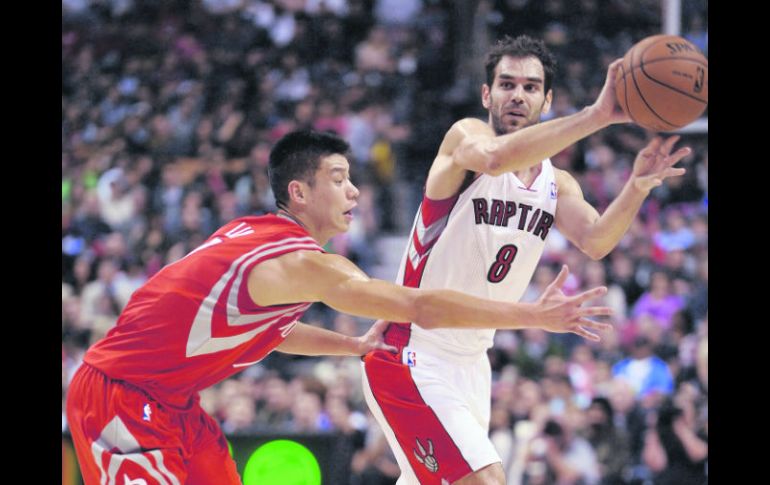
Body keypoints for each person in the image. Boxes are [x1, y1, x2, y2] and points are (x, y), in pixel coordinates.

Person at [66, 130, 614, 485]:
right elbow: (418, 305)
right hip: (118, 395)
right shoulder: (306, 264)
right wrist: (532, 316)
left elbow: (274, 333)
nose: (354, 192)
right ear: (299, 193)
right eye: (339, 179)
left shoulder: (258, 238)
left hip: (175, 403)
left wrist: (351, 345)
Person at [362, 35, 691, 485]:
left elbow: (596, 241)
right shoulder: (467, 140)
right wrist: (597, 116)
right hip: (412, 350)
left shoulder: (559, 184)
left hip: (473, 363)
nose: (518, 94)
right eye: (506, 84)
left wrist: (636, 187)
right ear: (486, 94)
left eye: (531, 87)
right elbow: (495, 158)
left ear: (547, 99)